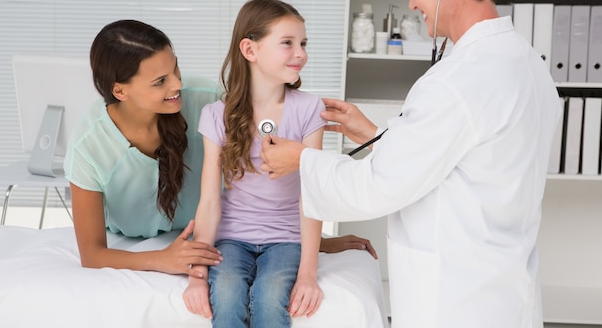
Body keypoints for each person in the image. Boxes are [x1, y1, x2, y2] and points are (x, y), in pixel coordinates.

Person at [260, 0, 561, 328]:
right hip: (503, 287)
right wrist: (371, 133)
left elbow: (380, 187)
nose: (411, 3)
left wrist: (302, 162)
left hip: (457, 299)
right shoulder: (527, 64)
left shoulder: (460, 80)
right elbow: (462, 161)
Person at [65, 19, 376, 277]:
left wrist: (314, 241)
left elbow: (259, 177)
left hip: (224, 231)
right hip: (131, 237)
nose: (176, 85)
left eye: (176, 70)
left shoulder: (207, 101)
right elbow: (92, 254)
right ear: (120, 90)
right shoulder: (89, 146)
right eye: (160, 81)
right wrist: (161, 260)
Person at [182, 0, 329, 327]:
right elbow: (208, 201)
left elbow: (312, 196)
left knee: (271, 293)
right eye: (287, 43)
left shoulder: (308, 110)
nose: (301, 53)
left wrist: (308, 274)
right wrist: (197, 271)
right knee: (229, 290)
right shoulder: (216, 116)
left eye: (303, 43)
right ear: (250, 50)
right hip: (232, 237)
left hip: (287, 238)